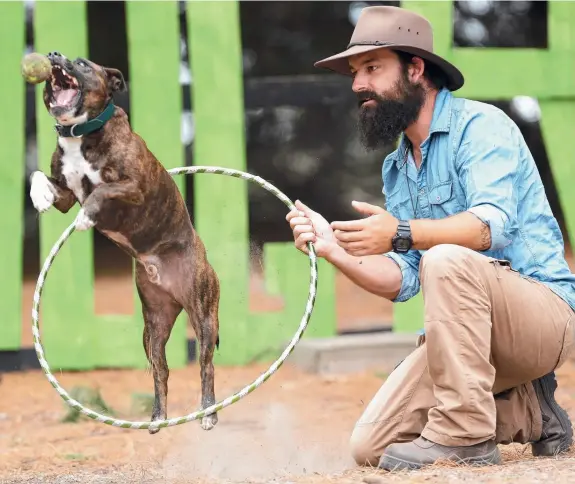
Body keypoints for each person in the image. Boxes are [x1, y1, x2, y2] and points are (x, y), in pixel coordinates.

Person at [286, 5, 575, 472]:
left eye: (373, 68)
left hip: (546, 319)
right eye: (357, 72)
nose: (359, 84)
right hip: (471, 334)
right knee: (370, 446)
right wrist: (332, 248)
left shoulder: (482, 126)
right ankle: (533, 413)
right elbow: (402, 280)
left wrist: (400, 231)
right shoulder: (397, 166)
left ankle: (466, 436)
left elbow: (488, 227)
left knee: (445, 257)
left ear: (415, 69)